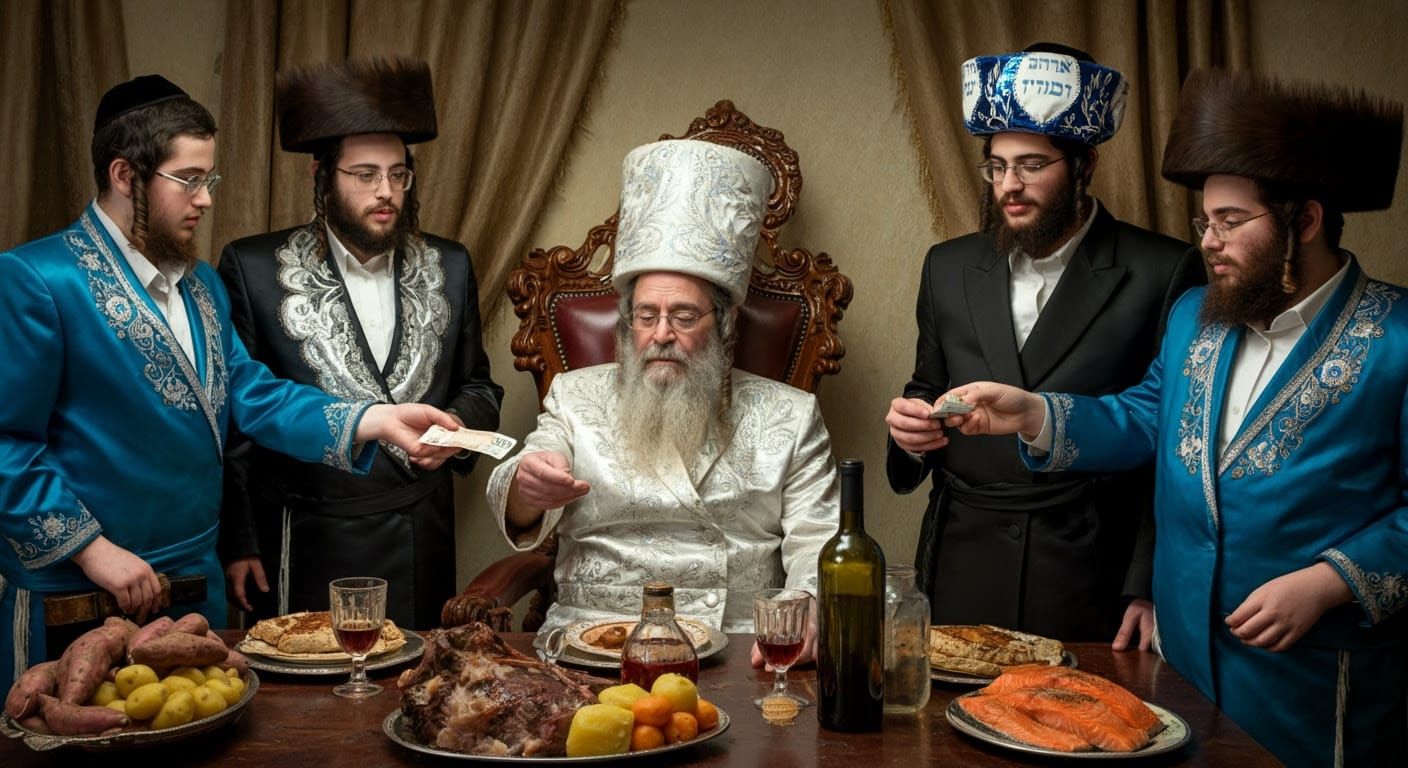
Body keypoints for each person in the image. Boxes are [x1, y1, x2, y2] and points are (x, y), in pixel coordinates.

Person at [941, 69, 1406, 767]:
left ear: (1304, 222)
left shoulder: (1399, 338)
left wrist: (1330, 582)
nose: (1208, 241)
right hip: (1183, 659)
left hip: (1313, 677)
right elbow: (1145, 417)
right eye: (1205, 222)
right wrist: (1035, 413)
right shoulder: (1197, 315)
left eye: (1231, 222)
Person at [0, 74, 460, 691]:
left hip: (194, 589)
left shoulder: (201, 287)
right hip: (78, 591)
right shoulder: (36, 279)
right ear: (124, 175)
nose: (205, 199)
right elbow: (7, 443)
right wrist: (92, 551)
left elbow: (252, 394)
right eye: (189, 179)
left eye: (209, 180)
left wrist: (373, 419)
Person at [884, 43, 1204, 647]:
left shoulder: (1163, 269)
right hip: (963, 562)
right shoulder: (946, 265)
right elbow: (926, 386)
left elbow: (1176, 442)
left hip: (1089, 570)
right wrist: (909, 433)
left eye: (1032, 165)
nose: (1010, 185)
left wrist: (1147, 584)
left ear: (1085, 165)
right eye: (997, 166)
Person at [485, 139, 838, 664]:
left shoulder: (790, 414)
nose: (661, 334)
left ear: (726, 322)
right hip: (588, 646)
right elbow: (529, 476)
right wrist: (528, 486)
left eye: (685, 316)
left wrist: (806, 604)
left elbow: (820, 540)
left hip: (738, 648)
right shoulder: (575, 395)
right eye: (646, 316)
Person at [216, 57, 503, 629]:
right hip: (306, 538)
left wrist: (452, 430)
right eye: (365, 175)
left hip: (420, 536)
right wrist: (238, 540)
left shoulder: (450, 264)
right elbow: (236, 419)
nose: (386, 192)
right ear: (322, 177)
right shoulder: (253, 267)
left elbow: (480, 386)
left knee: (419, 678)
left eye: (398, 174)